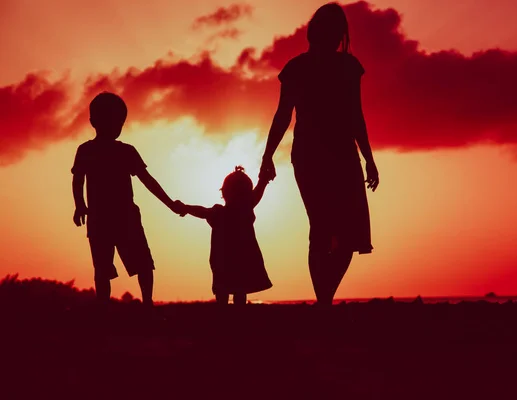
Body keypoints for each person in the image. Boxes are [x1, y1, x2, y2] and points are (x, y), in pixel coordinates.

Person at [259, 2, 379, 306]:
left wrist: (368, 158)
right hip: (312, 156)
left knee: (348, 236)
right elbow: (282, 115)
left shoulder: (349, 67)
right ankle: (324, 302)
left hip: (340, 155)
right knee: (322, 229)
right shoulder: (297, 68)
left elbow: (356, 116)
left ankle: (324, 299)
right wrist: (267, 155)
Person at [71, 91, 182, 307]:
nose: (115, 125)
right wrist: (79, 205)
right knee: (103, 268)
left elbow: (147, 180)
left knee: (142, 264)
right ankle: (106, 307)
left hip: (124, 218)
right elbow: (78, 180)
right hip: (101, 219)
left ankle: (147, 304)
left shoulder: (126, 152)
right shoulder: (86, 151)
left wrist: (170, 204)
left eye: (119, 121)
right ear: (94, 121)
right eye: (111, 120)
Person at [175, 166, 273, 305]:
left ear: (225, 192)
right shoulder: (245, 209)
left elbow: (202, 211)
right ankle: (236, 320)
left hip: (222, 261)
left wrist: (186, 208)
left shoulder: (219, 213)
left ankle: (223, 319)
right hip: (242, 258)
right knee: (240, 291)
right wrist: (263, 179)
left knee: (224, 292)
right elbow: (258, 190)